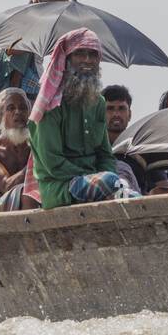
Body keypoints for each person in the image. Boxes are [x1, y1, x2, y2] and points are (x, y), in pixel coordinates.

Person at [23, 29, 139, 208]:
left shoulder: (99, 102)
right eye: (80, 53)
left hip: (97, 180)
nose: (87, 60)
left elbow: (105, 155)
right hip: (61, 186)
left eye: (93, 55)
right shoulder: (50, 105)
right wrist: (93, 177)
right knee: (111, 181)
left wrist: (104, 179)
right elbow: (52, 163)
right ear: (67, 59)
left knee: (132, 193)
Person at [0, 0, 74, 97]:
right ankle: (14, 96)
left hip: (34, 78)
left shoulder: (54, 21)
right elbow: (12, 51)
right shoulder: (27, 17)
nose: (64, 1)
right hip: (10, 80)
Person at [0, 88, 39, 212]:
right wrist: (38, 160)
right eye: (11, 108)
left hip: (21, 202)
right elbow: (6, 186)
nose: (18, 112)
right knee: (29, 194)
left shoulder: (34, 145)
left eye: (23, 108)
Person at [103, 84, 142, 194]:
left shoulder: (141, 149)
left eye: (121, 108)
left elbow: (161, 187)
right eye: (110, 109)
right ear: (99, 113)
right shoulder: (93, 150)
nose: (116, 114)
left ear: (130, 114)